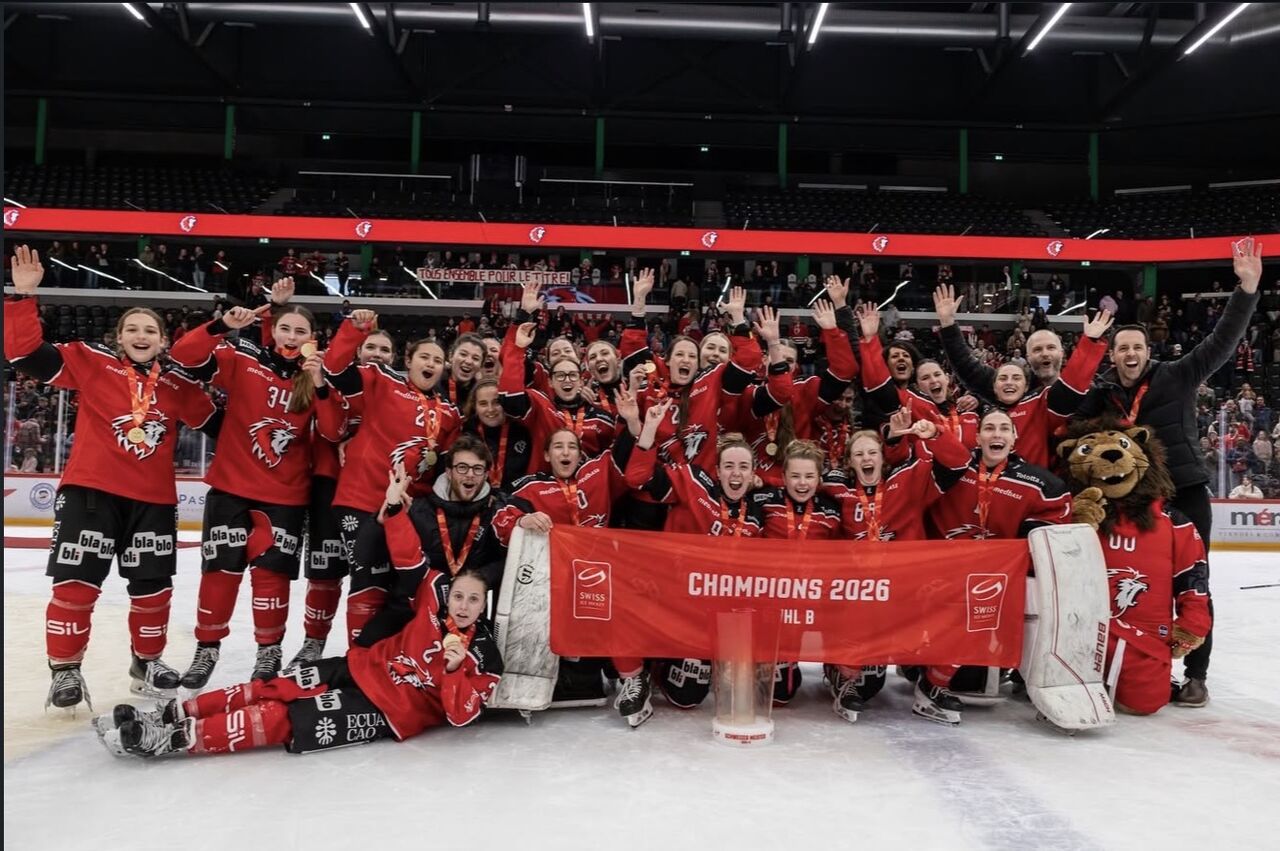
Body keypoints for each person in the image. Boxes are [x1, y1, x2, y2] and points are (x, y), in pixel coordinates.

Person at [94, 502, 501, 759]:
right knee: (272, 686)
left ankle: (172, 739)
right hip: (359, 667)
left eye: (473, 600)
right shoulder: (433, 594)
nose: (463, 606)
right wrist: (394, 509)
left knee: (281, 716)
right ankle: (169, 713)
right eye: (460, 597)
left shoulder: (485, 653)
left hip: (386, 710)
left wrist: (453, 672)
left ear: (484, 605)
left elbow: (462, 715)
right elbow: (410, 556)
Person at [4, 245, 219, 710]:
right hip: (90, 495)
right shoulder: (89, 362)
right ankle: (65, 672)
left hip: (154, 503)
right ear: (119, 338)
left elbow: (227, 428)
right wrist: (23, 297)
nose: (142, 336)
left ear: (164, 341)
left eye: (151, 331)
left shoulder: (179, 386)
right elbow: (25, 356)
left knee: (153, 589)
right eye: (133, 329)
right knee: (76, 586)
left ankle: (147, 664)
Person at [1077, 238, 1263, 708]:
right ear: (1113, 354)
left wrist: (1246, 290)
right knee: (1126, 581)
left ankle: (1196, 674)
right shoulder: (1103, 397)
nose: (1131, 353)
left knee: (1195, 583)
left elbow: (1222, 342)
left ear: (1146, 349)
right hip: (1133, 503)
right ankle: (1122, 660)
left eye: (1137, 346)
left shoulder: (1176, 374)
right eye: (1122, 348)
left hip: (1184, 491)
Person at [169, 282, 323, 687]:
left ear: (312, 340)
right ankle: (206, 651)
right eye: (286, 328)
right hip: (231, 488)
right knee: (219, 573)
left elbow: (336, 429)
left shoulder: (317, 381)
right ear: (274, 331)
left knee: (272, 578)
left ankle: (268, 654)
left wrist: (322, 384)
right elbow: (183, 355)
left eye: (300, 332)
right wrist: (220, 325)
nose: (291, 337)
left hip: (286, 496)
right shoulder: (243, 357)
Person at [819, 410, 970, 723]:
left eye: (872, 452)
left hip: (910, 586)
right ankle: (842, 678)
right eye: (859, 454)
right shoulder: (840, 496)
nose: (866, 458)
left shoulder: (907, 483)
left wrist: (935, 435)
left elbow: (958, 462)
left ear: (882, 457)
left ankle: (933, 687)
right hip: (867, 592)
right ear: (850, 462)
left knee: (960, 609)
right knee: (868, 672)